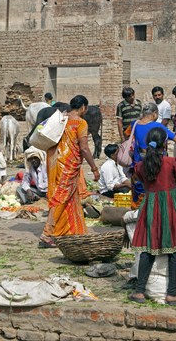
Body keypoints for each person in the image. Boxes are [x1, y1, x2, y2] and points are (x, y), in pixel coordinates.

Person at [128, 127, 176, 305]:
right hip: (171, 204)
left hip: (150, 206)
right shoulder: (172, 162)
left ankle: (139, 291)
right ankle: (172, 293)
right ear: (165, 143)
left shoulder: (141, 166)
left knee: (149, 248)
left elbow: (137, 181)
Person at [40, 95, 100, 247]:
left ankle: (71, 231)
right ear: (83, 108)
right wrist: (94, 168)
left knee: (69, 197)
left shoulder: (61, 119)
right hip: (68, 165)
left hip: (55, 162)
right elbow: (84, 148)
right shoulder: (80, 123)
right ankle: (47, 234)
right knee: (61, 198)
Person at [129, 102, 176, 207]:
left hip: (138, 162)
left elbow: (126, 135)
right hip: (156, 163)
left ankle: (138, 208)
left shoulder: (134, 124)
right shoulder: (158, 127)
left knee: (140, 188)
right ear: (154, 114)